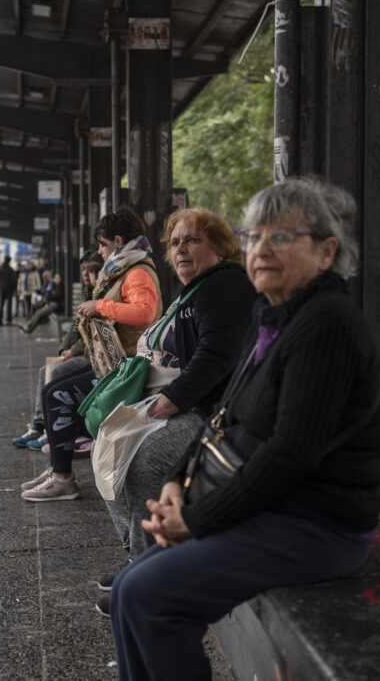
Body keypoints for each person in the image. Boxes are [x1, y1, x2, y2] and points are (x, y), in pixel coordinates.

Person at [109, 176, 380, 680]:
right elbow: (224, 415)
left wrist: (198, 520)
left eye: (281, 236)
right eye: (254, 237)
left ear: (326, 252)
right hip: (274, 511)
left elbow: (290, 453)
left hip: (316, 525)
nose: (260, 249)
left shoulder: (328, 325)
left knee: (150, 598)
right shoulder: (273, 316)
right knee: (130, 590)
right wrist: (177, 483)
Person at [94, 207, 257, 615]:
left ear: (220, 247)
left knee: (145, 461)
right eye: (176, 242)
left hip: (211, 412)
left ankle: (150, 571)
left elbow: (216, 357)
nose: (181, 249)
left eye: (193, 240)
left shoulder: (224, 284)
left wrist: (171, 400)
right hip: (182, 401)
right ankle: (136, 555)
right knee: (107, 444)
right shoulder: (194, 289)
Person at [21, 208, 163, 502]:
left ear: (118, 241)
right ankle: (58, 471)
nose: (100, 251)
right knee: (52, 389)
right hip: (115, 365)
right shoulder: (124, 269)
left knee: (58, 395)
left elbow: (145, 312)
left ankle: (62, 479)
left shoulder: (137, 271)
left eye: (103, 244)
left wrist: (99, 306)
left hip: (130, 369)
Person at [12, 251, 103, 451]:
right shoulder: (87, 292)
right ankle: (38, 425)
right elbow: (75, 326)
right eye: (83, 269)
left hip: (92, 356)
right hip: (79, 352)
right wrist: (64, 348)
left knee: (56, 372)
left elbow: (93, 333)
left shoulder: (100, 295)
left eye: (89, 269)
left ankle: (51, 431)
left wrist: (72, 352)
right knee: (43, 370)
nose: (85, 273)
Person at [0, 256, 17, 325]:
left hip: (1, 289)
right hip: (9, 289)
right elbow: (13, 280)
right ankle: (9, 320)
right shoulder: (10, 269)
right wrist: (14, 288)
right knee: (9, 305)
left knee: (1, 305)